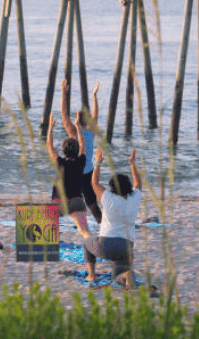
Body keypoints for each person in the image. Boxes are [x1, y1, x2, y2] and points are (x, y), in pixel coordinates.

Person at [83, 147, 142, 289]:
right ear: (128, 186)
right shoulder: (135, 198)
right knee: (118, 273)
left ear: (112, 187)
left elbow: (94, 183)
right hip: (126, 248)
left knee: (86, 243)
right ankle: (123, 276)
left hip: (105, 245)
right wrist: (132, 164)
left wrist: (97, 163)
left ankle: (91, 275)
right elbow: (138, 183)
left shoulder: (108, 197)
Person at [61, 78, 102, 224]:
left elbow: (64, 115)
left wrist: (63, 94)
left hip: (75, 172)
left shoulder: (73, 132)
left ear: (77, 120)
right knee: (92, 203)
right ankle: (102, 223)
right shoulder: (91, 133)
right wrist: (94, 96)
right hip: (88, 173)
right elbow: (96, 115)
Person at [46, 111, 90, 234]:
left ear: (63, 151)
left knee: (49, 227)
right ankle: (93, 247)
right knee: (85, 231)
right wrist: (77, 126)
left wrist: (50, 127)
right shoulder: (81, 161)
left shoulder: (60, 163)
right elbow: (82, 145)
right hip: (77, 202)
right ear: (76, 151)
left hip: (61, 202)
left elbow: (49, 145)